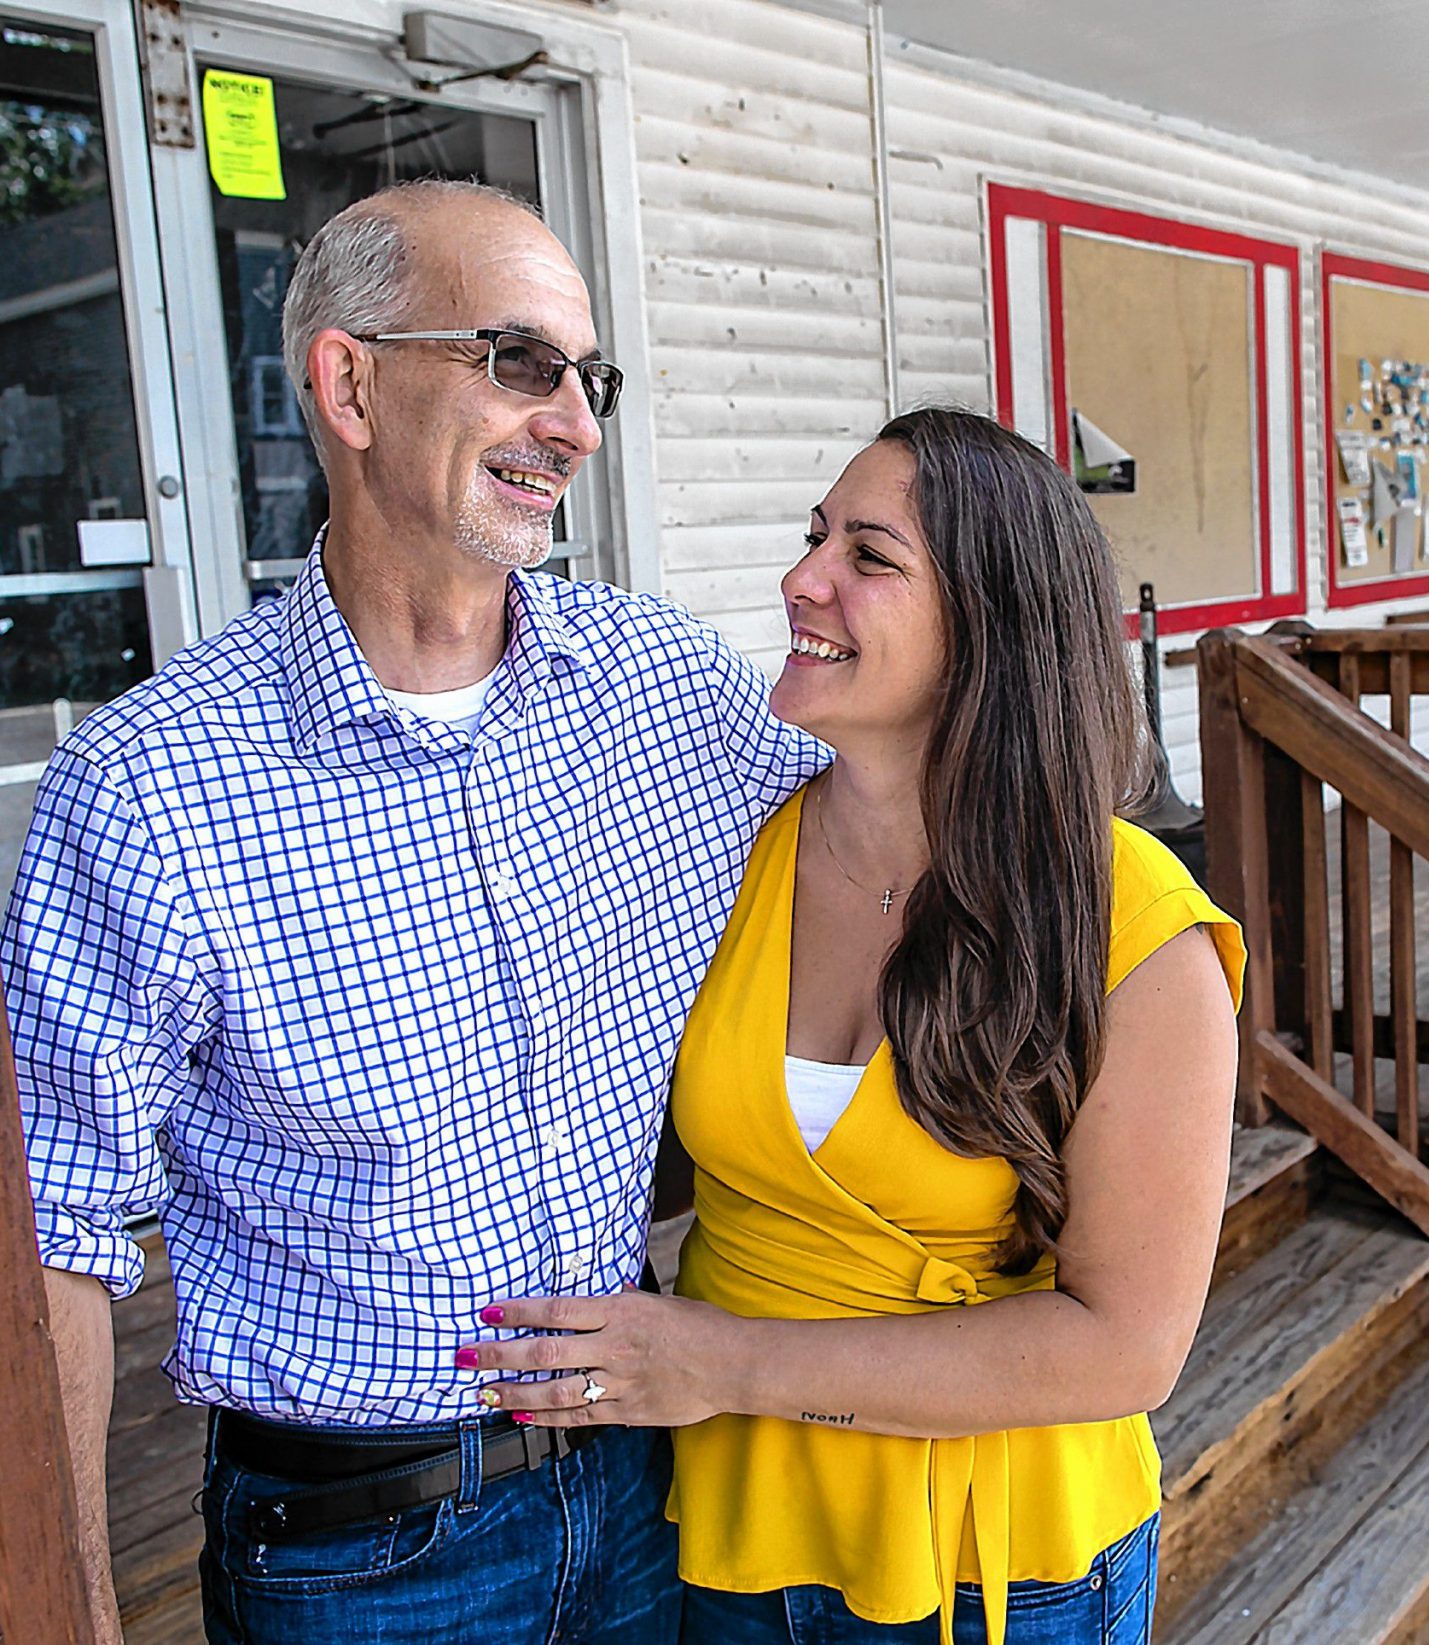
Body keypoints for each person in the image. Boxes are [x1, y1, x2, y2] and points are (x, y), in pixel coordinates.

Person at [1, 179, 822, 1645]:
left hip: (647, 1487)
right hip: (360, 1554)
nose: (572, 423)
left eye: (589, 379)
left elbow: (886, 825)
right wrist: (70, 1605)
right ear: (350, 382)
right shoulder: (148, 786)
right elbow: (53, 1236)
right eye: (519, 363)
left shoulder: (663, 687)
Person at [468, 409, 1246, 1644]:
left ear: (995, 625)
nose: (802, 579)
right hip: (728, 1525)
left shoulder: (1132, 922)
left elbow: (1125, 1350)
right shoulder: (731, 854)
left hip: (997, 1562)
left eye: (868, 557)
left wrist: (719, 1362)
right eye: (812, 536)